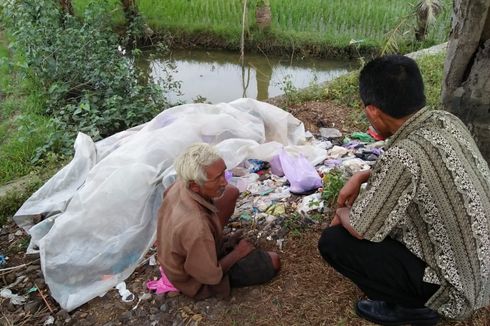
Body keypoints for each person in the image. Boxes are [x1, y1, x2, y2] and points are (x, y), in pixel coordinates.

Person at [318, 55, 490, 325]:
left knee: (334, 241)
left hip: (458, 293)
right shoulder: (446, 121)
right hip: (484, 272)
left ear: (374, 110)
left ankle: (412, 309)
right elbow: (423, 172)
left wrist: (341, 212)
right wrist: (363, 175)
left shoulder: (403, 155)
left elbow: (362, 227)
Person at [156, 143, 281, 299]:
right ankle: (209, 255)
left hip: (179, 250)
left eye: (223, 173)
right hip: (191, 279)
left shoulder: (181, 184)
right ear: (195, 186)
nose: (225, 181)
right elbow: (211, 276)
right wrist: (238, 253)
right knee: (273, 261)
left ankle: (211, 246)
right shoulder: (196, 226)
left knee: (230, 192)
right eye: (217, 178)